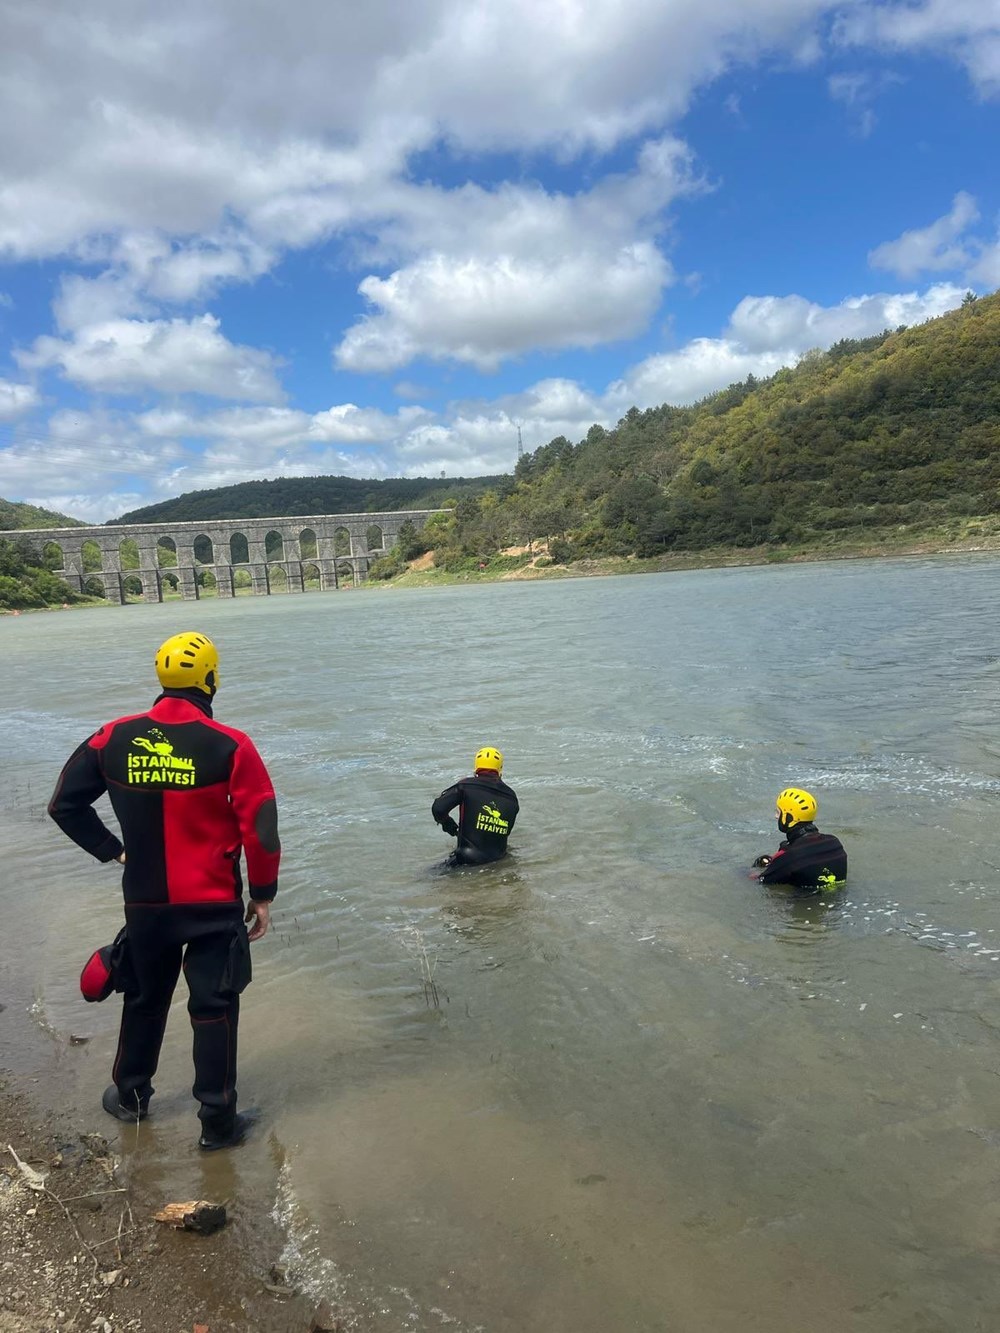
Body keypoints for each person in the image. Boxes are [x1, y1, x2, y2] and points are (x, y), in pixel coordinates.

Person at [48, 631, 280, 1150]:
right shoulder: (231, 744)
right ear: (211, 679)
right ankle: (218, 1127)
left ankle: (130, 1099)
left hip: (147, 903)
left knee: (145, 999)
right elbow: (261, 829)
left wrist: (113, 850)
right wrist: (262, 896)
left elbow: (64, 805)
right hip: (213, 905)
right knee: (213, 1007)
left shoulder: (112, 736)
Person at [432, 746, 519, 866]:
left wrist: (449, 825)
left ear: (476, 767)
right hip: (498, 862)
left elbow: (438, 809)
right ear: (500, 769)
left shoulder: (465, 786)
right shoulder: (512, 797)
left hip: (465, 862)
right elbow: (505, 832)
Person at [752, 787, 846, 891]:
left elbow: (761, 881)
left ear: (789, 817)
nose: (775, 816)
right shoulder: (834, 842)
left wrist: (753, 867)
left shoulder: (789, 856)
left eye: (778, 812)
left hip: (805, 904)